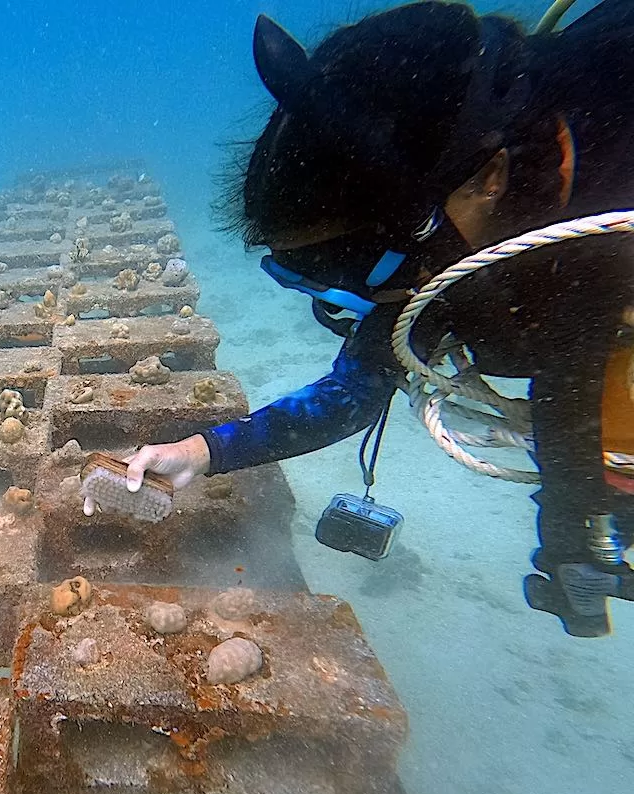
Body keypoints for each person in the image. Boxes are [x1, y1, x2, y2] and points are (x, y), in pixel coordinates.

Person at [85, 0, 634, 636]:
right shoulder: (451, 234)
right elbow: (354, 391)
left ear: (490, 177)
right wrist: (201, 452)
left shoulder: (536, 222)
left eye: (366, 273)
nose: (371, 309)